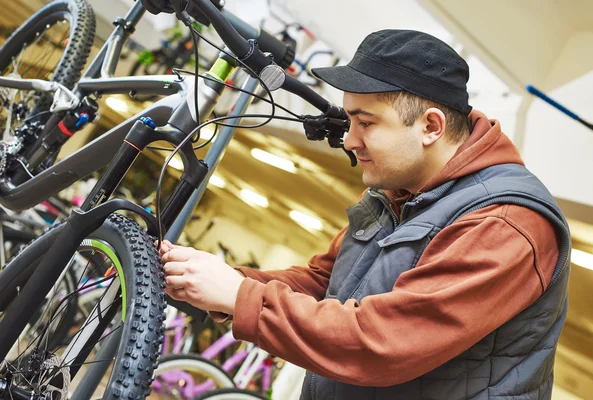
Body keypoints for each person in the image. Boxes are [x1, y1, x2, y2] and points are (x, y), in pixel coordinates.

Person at [157, 29, 571, 400]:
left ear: (430, 126)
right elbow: (325, 284)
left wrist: (240, 296)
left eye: (365, 123)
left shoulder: (506, 223)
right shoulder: (397, 192)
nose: (349, 140)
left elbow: (384, 342)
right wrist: (218, 281)